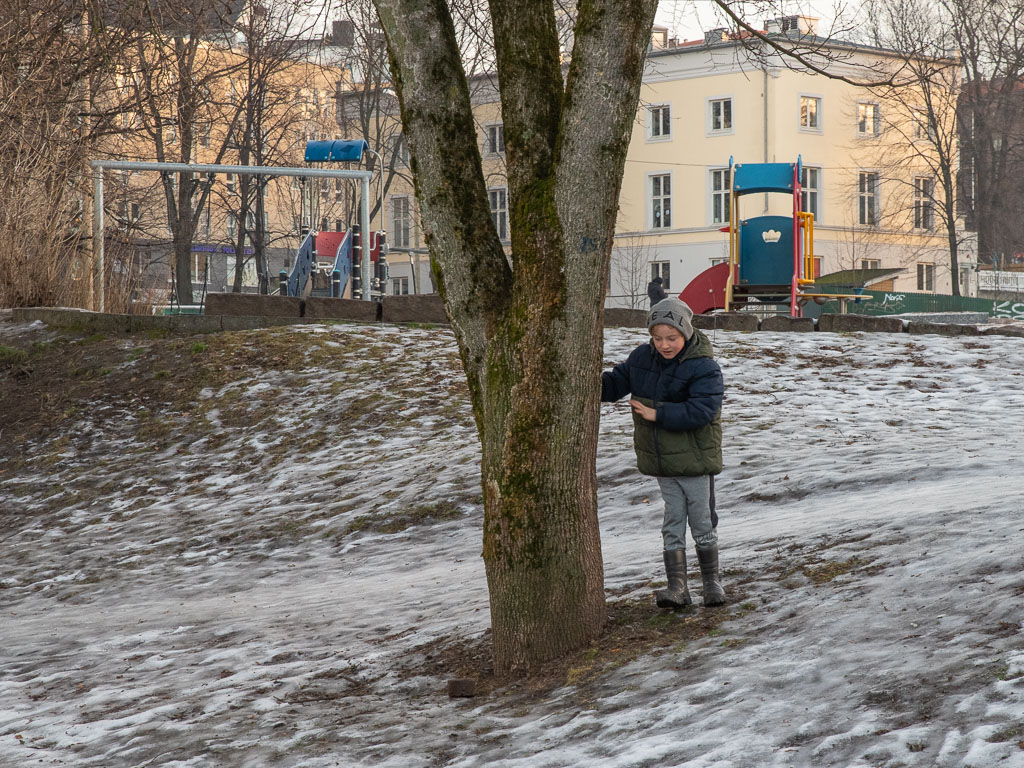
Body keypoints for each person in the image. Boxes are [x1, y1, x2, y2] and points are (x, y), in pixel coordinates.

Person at [601, 297, 726, 609]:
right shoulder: (642, 359)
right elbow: (615, 384)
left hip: (695, 462)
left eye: (671, 338)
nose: (664, 345)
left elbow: (702, 410)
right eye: (657, 338)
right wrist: (582, 381)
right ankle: (677, 587)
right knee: (673, 521)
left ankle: (711, 582)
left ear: (686, 332)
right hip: (663, 462)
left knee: (702, 521)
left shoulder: (704, 367)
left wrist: (657, 414)